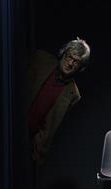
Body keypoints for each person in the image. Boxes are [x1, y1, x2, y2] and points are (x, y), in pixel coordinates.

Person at [26, 37, 91, 165]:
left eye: (76, 62)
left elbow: (53, 126)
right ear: (63, 53)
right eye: (69, 57)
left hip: (30, 145)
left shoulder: (73, 94)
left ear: (80, 67)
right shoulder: (41, 59)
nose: (70, 63)